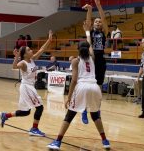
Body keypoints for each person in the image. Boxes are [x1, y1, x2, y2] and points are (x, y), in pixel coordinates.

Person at [47, 22, 110, 150]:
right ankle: (105, 141)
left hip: (82, 86)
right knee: (96, 115)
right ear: (88, 49)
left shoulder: (76, 61)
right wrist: (87, 32)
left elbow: (74, 80)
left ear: (78, 50)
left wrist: (68, 97)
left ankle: (57, 141)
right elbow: (90, 43)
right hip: (95, 86)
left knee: (69, 116)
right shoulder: (92, 57)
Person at [0, 30, 53, 137]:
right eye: (28, 50)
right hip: (27, 87)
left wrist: (49, 40)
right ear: (24, 54)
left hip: (28, 87)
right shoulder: (23, 63)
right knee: (40, 107)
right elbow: (14, 67)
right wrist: (16, 57)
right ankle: (34, 129)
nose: (31, 50)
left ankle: (5, 115)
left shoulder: (32, 59)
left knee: (26, 112)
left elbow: (42, 49)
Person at [81, 0, 108, 124]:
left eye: (99, 22)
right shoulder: (90, 32)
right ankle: (85, 111)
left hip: (101, 60)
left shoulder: (104, 32)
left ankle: (97, 110)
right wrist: (90, 10)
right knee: (89, 85)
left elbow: (103, 17)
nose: (98, 22)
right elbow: (87, 22)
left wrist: (98, 5)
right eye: (96, 21)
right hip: (91, 59)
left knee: (99, 87)